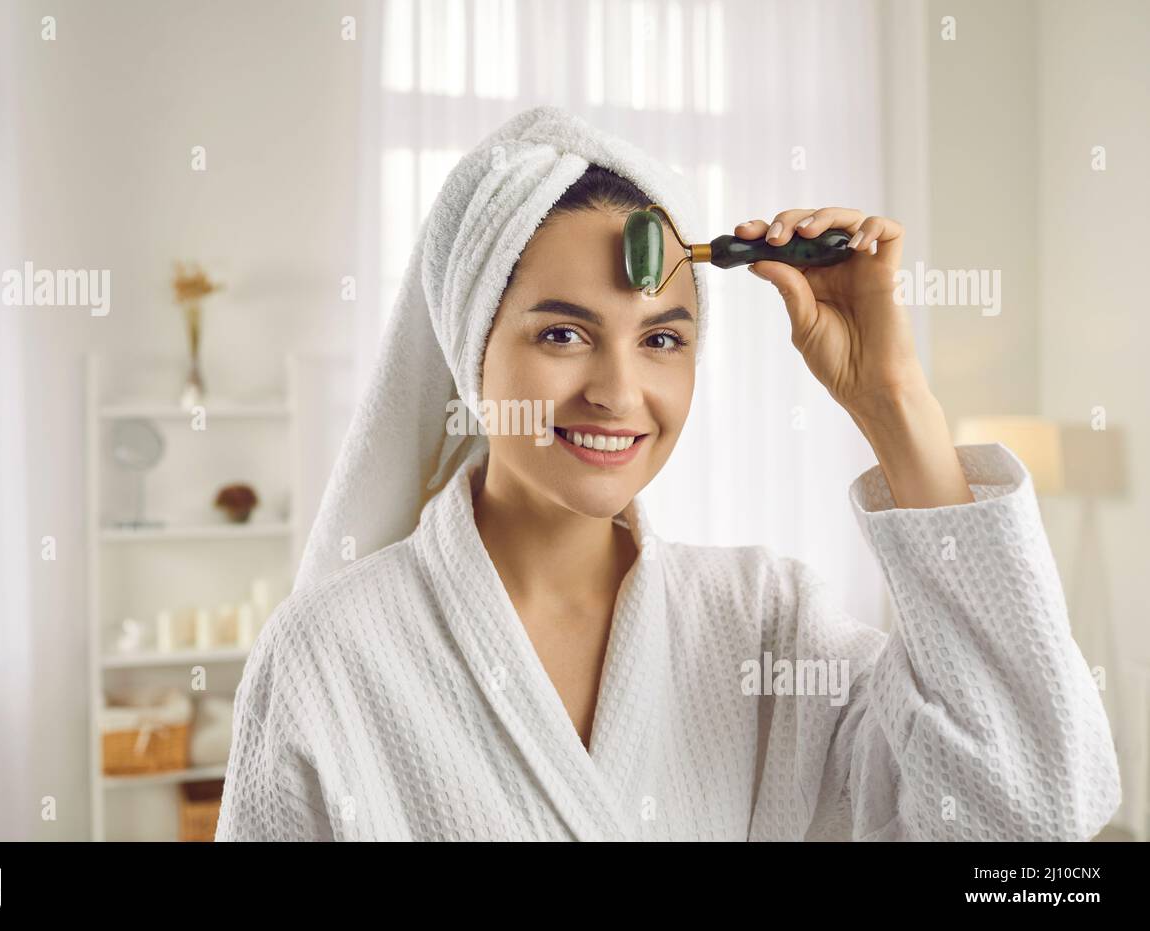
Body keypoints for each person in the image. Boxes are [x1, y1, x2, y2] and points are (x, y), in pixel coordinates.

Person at [215, 106, 1119, 841]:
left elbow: (1032, 813)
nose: (618, 392)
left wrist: (891, 397)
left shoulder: (767, 621)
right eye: (561, 333)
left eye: (661, 340)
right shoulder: (327, 655)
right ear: (469, 350)